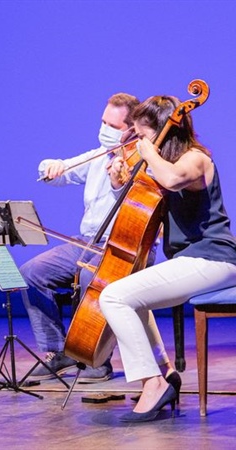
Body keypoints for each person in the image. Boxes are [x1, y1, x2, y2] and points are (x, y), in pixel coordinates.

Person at [99, 94, 236, 422]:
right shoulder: (161, 165)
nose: (138, 142)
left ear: (163, 132)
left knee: (114, 297)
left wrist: (147, 154)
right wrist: (118, 180)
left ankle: (152, 383)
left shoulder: (195, 158)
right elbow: (143, 204)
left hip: (214, 259)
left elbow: (173, 178)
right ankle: (164, 372)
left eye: (143, 135)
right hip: (190, 261)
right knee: (131, 297)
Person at [19, 93, 146, 383]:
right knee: (31, 273)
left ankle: (96, 360)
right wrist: (51, 167)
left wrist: (119, 181)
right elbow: (62, 170)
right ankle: (57, 352)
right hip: (86, 241)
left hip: (121, 247)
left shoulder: (142, 161)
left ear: (131, 129)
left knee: (93, 281)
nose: (104, 129)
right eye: (103, 121)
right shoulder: (99, 155)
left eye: (112, 125)